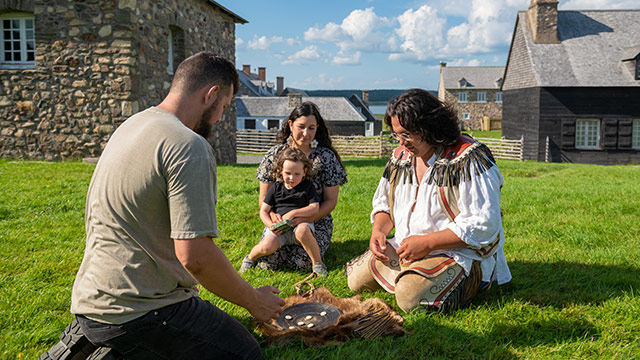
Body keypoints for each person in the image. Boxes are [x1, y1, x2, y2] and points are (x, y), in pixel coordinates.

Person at [43, 52, 284, 360]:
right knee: (244, 352)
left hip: (92, 298)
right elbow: (195, 257)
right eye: (223, 106)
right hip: (141, 309)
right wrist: (254, 301)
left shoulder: (133, 124)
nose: (221, 118)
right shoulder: (188, 145)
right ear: (211, 94)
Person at [345, 89, 511, 313]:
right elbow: (384, 204)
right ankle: (414, 274)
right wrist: (379, 232)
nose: (402, 143)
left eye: (407, 134)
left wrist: (427, 243)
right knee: (356, 282)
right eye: (397, 135)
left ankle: (472, 281)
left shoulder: (469, 158)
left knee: (409, 298)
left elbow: (484, 224)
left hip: (457, 254)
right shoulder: (400, 158)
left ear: (429, 126)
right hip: (408, 248)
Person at [255, 102, 347, 271]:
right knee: (266, 263)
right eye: (301, 127)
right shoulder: (274, 155)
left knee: (301, 263)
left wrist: (306, 218)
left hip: (315, 220)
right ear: (290, 125)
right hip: (280, 222)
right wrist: (273, 217)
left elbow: (330, 201)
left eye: (311, 128)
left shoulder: (325, 157)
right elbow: (264, 199)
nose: (306, 133)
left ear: (317, 128)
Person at [241, 147, 328, 276]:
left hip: (299, 225)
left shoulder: (308, 187)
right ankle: (250, 258)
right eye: (288, 173)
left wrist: (294, 213)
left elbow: (314, 208)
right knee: (267, 247)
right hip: (279, 228)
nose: (292, 178)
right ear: (281, 171)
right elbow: (264, 211)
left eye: (297, 174)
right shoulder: (276, 188)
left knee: (303, 231)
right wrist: (270, 225)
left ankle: (318, 264)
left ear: (304, 172)